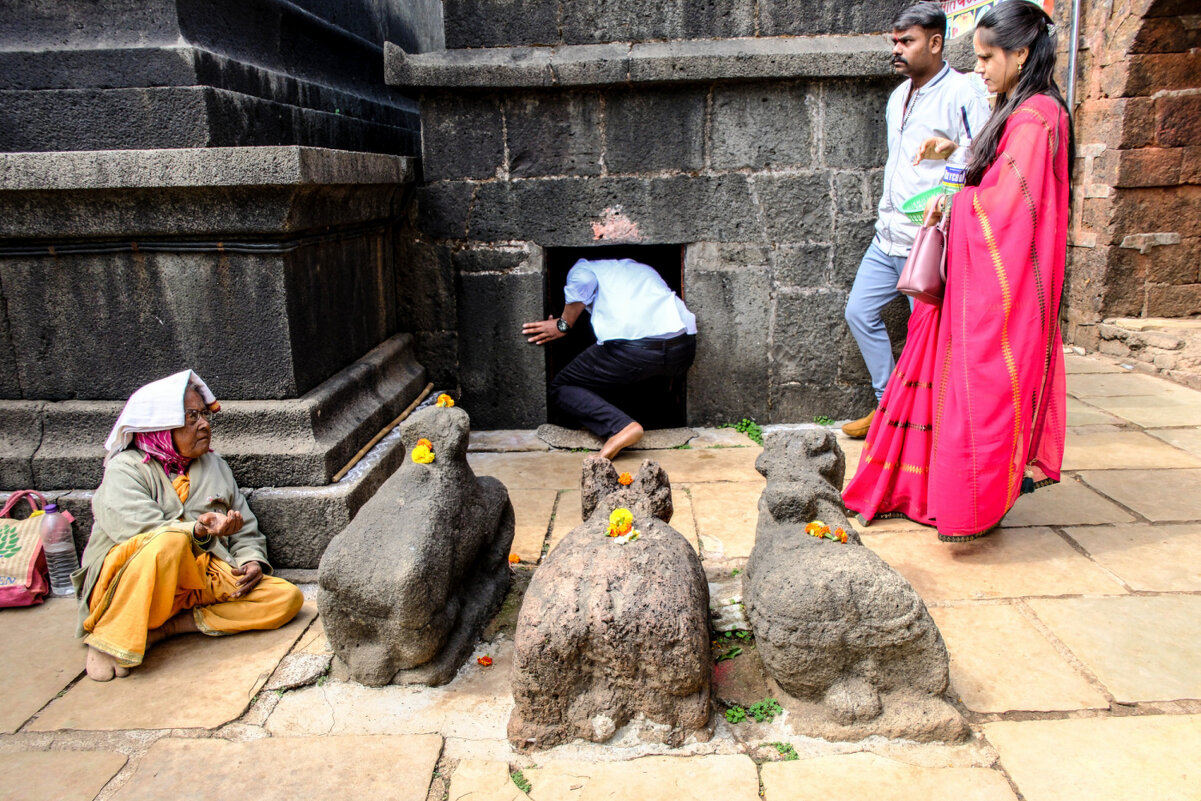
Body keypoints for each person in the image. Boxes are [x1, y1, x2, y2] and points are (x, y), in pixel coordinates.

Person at [843, 0, 1073, 542]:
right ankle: (929, 489)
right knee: (924, 372)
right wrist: (953, 166)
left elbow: (1008, 207)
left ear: (1020, 53)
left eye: (989, 57)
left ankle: (969, 501)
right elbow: (978, 170)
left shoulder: (1038, 117)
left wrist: (953, 206)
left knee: (978, 392)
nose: (982, 69)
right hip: (912, 241)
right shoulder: (1010, 105)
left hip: (993, 276)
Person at [74, 370, 304, 681]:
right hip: (135, 585)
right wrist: (198, 531)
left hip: (197, 582)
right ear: (159, 426)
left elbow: (246, 527)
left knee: (285, 599)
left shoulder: (216, 466)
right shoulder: (124, 469)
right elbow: (140, 534)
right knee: (169, 541)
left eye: (205, 415)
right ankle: (110, 634)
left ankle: (165, 629)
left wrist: (251, 561)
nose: (204, 424)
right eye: (191, 417)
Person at [842, 1, 990, 439]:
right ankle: (889, 404)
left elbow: (983, 156)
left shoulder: (964, 91)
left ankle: (926, 425)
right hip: (886, 236)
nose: (897, 49)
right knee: (858, 312)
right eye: (895, 41)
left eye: (907, 41)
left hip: (926, 241)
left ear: (936, 42)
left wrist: (949, 158)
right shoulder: (896, 97)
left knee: (929, 339)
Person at [522, 257, 697, 460]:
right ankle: (656, 418)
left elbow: (584, 282)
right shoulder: (640, 267)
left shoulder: (583, 268)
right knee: (639, 372)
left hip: (634, 350)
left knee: (562, 387)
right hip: (683, 348)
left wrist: (563, 325)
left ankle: (621, 427)